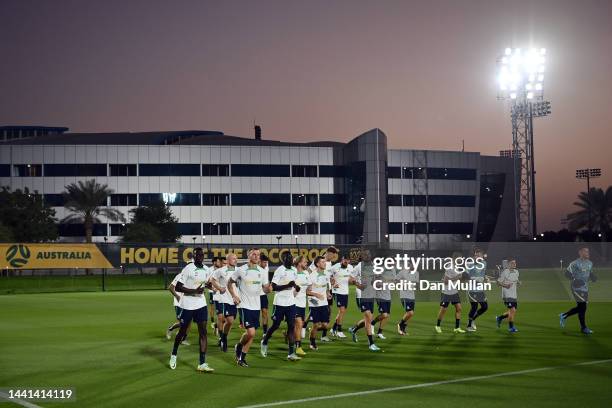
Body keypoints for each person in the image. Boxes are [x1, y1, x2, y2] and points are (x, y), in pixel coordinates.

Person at [169, 247, 224, 372]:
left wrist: (210, 286)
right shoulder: (188, 268)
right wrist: (194, 291)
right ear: (193, 257)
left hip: (200, 304)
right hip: (187, 304)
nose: (199, 256)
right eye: (197, 255)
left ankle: (202, 363)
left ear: (203, 256)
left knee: (203, 332)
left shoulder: (206, 269)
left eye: (201, 254)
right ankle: (174, 354)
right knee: (182, 331)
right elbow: (178, 287)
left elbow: (207, 283)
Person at [228, 248, 270, 367]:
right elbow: (229, 282)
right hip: (244, 305)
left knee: (252, 333)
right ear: (249, 255)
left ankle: (242, 356)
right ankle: (240, 347)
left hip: (256, 306)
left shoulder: (262, 271)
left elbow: (266, 287)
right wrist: (234, 296)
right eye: (254, 254)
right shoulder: (241, 270)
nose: (257, 256)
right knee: (251, 333)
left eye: (258, 254)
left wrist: (269, 289)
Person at [261, 252, 301, 361]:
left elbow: (294, 283)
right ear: (283, 259)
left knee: (291, 326)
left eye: (291, 257)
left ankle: (291, 353)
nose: (290, 259)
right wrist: (287, 285)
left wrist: (296, 287)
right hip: (279, 302)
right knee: (276, 325)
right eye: (287, 257)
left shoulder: (294, 270)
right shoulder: (280, 270)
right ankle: (264, 341)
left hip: (291, 302)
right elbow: (273, 287)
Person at [348, 251, 381, 351]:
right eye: (365, 255)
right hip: (361, 295)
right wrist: (358, 285)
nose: (367, 257)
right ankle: (371, 343)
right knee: (368, 317)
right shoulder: (359, 266)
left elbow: (375, 278)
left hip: (370, 295)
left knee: (368, 319)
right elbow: (350, 279)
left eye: (369, 255)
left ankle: (354, 329)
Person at [559, 247, 596, 334]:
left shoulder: (590, 263)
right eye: (585, 251)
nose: (587, 253)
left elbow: (589, 272)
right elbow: (566, 273)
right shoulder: (575, 263)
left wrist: (593, 277)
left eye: (588, 251)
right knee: (583, 307)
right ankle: (583, 328)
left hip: (585, 288)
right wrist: (575, 280)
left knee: (581, 307)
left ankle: (564, 315)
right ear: (580, 253)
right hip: (576, 288)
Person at [210, 253, 238, 352]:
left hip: (235, 300)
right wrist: (219, 288)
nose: (236, 260)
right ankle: (223, 338)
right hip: (224, 299)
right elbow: (212, 280)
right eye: (234, 258)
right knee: (225, 319)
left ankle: (223, 337)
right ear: (228, 260)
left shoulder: (238, 271)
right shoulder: (220, 271)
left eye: (236, 258)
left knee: (230, 322)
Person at [435, 253, 466, 334]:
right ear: (455, 258)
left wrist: (460, 277)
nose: (461, 260)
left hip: (454, 292)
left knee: (459, 308)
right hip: (447, 292)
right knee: (443, 310)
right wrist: (457, 277)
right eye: (459, 258)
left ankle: (457, 327)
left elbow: (445, 278)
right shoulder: (450, 266)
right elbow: (445, 281)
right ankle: (437, 326)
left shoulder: (456, 267)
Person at [307, 256, 332, 350]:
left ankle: (312, 330)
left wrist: (328, 293)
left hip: (324, 302)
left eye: (325, 262)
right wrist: (316, 295)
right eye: (322, 262)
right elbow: (307, 291)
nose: (325, 263)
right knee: (316, 324)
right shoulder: (311, 276)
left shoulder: (326, 274)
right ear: (317, 264)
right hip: (314, 303)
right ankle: (312, 342)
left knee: (326, 325)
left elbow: (326, 287)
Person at [329, 254, 355, 338]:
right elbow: (328, 276)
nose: (346, 261)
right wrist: (332, 283)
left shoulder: (350, 268)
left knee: (342, 312)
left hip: (345, 291)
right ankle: (339, 330)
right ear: (341, 260)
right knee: (342, 310)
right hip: (337, 291)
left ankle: (333, 328)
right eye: (345, 260)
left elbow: (351, 279)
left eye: (347, 260)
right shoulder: (334, 267)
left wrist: (353, 280)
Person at [293, 255, 313, 356]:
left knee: (296, 326)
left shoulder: (306, 273)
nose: (306, 264)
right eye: (305, 262)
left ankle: (288, 336)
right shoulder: (293, 273)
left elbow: (309, 286)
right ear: (299, 263)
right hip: (293, 303)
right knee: (299, 324)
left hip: (302, 303)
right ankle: (298, 347)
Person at [466, 248, 489, 332]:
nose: (476, 256)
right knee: (474, 307)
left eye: (478, 255)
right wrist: (474, 280)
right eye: (475, 255)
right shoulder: (470, 264)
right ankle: (469, 326)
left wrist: (486, 278)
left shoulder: (484, 263)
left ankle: (473, 320)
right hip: (472, 290)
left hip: (480, 290)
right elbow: (465, 275)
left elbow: (483, 273)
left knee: (485, 307)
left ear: (482, 256)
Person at [495, 257, 520, 333]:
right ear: (508, 264)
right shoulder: (505, 272)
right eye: (512, 263)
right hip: (507, 295)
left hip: (514, 295)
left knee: (513, 311)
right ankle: (511, 327)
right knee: (512, 310)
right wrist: (506, 286)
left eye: (515, 263)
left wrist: (519, 282)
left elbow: (516, 279)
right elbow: (498, 282)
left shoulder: (516, 272)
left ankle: (499, 318)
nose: (514, 264)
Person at [166, 268, 190, 344]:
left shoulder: (191, 277)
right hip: (179, 303)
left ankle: (183, 339)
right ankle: (171, 328)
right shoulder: (180, 276)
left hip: (188, 303)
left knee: (188, 322)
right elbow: (170, 287)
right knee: (182, 322)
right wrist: (177, 296)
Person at [396, 260, 419, 336]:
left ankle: (403, 329)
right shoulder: (403, 272)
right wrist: (402, 285)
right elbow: (396, 280)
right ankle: (400, 324)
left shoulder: (416, 273)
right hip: (404, 295)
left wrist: (413, 285)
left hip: (412, 295)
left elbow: (416, 284)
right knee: (410, 312)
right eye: (412, 264)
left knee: (409, 314)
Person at [259, 254, 270, 335]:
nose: (266, 264)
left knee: (265, 312)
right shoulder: (255, 269)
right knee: (254, 314)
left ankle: (265, 332)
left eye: (266, 263)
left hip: (263, 294)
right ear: (259, 261)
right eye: (264, 262)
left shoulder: (266, 268)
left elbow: (266, 281)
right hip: (254, 295)